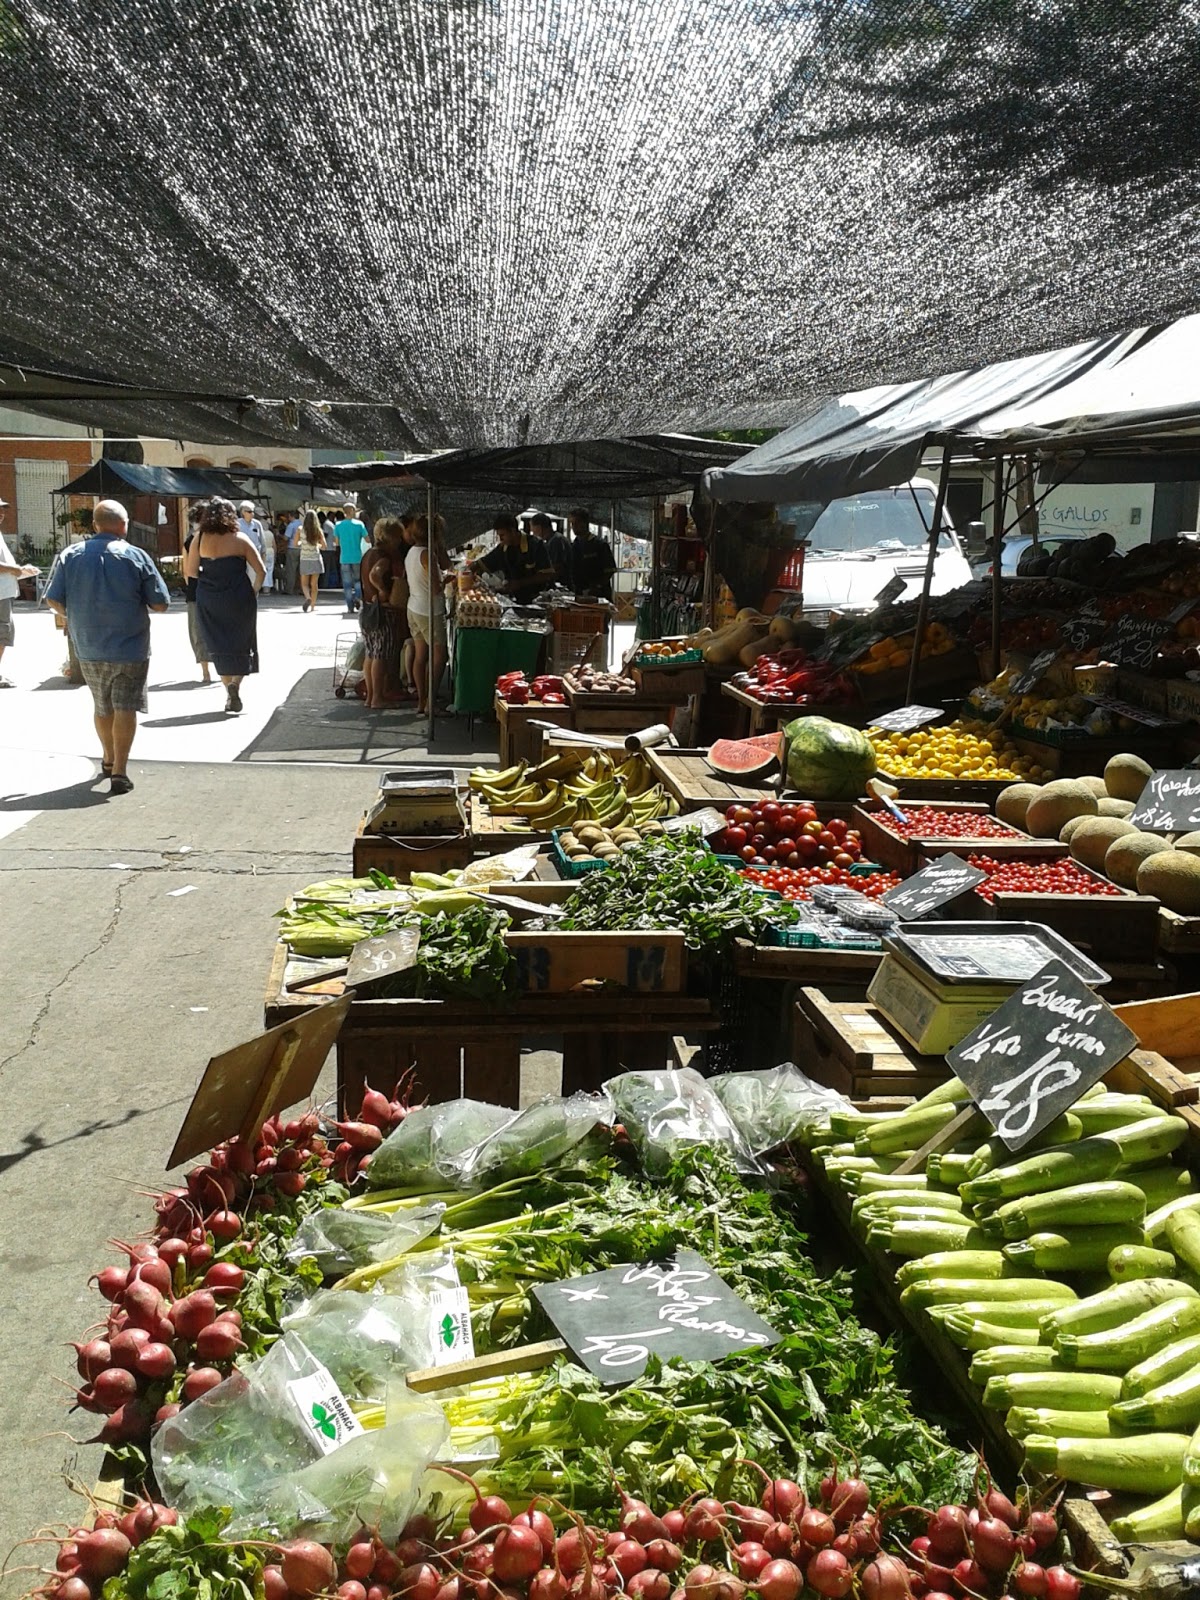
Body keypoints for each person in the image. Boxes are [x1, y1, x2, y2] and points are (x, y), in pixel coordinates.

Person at [44, 498, 170, 793]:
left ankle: (108, 758)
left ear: (95, 524)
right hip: (130, 645)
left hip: (87, 644)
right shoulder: (136, 556)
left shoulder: (70, 554)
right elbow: (160, 603)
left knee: (102, 705)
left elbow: (52, 598)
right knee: (125, 705)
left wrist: (74, 616)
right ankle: (120, 773)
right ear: (123, 525)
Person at [183, 496, 265, 715]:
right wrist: (253, 592)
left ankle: (228, 689)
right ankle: (235, 685)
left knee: (218, 642)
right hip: (239, 598)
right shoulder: (240, 539)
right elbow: (261, 571)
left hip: (209, 598)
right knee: (242, 641)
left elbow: (191, 572)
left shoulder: (199, 539)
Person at [360, 517, 407, 710]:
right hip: (382, 610)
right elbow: (375, 574)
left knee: (370, 654)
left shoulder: (368, 553)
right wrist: (382, 590)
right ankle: (377, 697)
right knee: (380, 654)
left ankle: (371, 697)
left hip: (367, 609)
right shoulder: (383, 557)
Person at [407, 514, 450, 715]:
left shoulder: (412, 552)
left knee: (420, 655)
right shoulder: (427, 554)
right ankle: (431, 703)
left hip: (414, 607)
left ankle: (421, 701)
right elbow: (436, 588)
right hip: (429, 610)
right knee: (440, 656)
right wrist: (448, 580)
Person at [0, 494, 40, 687]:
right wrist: (15, 570)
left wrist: (21, 571)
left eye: (2, 509)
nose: (1, 513)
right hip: (0, 595)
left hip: (5, 592)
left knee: (4, 632)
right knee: (2, 632)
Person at [470, 512, 555, 602]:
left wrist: (520, 583)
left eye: (502, 535)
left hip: (537, 600)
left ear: (513, 531)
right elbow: (482, 563)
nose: (500, 539)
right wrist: (467, 572)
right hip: (515, 599)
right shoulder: (503, 548)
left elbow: (547, 575)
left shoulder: (535, 545)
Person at [181, 502, 214, 684]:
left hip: (195, 589)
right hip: (216, 588)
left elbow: (187, 571)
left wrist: (190, 586)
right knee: (216, 627)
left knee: (197, 629)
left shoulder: (189, 540)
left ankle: (205, 671)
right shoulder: (218, 538)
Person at [568, 507, 617, 601]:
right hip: (579, 595)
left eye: (577, 522)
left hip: (598, 596)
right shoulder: (574, 545)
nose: (574, 526)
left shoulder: (599, 544)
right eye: (572, 523)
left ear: (585, 523)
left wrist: (597, 586)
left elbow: (610, 570)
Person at [333, 501, 369, 613]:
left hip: (344, 558)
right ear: (352, 511)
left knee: (347, 584)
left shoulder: (338, 525)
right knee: (358, 581)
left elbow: (337, 543)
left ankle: (350, 607)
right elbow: (367, 539)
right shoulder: (359, 525)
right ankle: (357, 597)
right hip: (357, 557)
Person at [237, 499, 271, 591]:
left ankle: (252, 597)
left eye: (253, 511)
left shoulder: (257, 524)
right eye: (249, 511)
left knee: (253, 578)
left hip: (254, 555)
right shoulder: (237, 523)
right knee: (241, 578)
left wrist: (263, 555)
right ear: (243, 512)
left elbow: (262, 541)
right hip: (240, 555)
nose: (252, 513)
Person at [297, 509, 326, 612]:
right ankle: (313, 606)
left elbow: (295, 543)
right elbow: (324, 547)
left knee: (304, 584)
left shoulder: (300, 529)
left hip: (305, 558)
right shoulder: (318, 531)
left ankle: (308, 598)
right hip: (316, 558)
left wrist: (302, 543)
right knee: (314, 584)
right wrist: (317, 545)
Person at [538, 513, 571, 585]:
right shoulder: (551, 540)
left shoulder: (556, 540)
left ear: (540, 528)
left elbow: (556, 566)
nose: (534, 533)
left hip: (562, 583)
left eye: (533, 530)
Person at [284, 510, 303, 594]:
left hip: (292, 548)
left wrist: (278, 534)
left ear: (292, 516)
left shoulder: (291, 525)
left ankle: (289, 589)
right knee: (301, 570)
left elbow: (286, 538)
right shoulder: (303, 525)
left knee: (291, 570)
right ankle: (302, 589)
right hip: (302, 548)